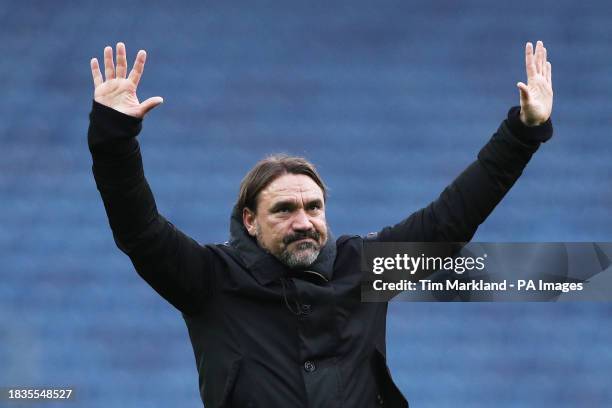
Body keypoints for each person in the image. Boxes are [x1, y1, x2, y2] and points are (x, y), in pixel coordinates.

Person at [88, 41, 553, 407]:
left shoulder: (364, 265)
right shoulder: (209, 279)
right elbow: (139, 230)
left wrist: (523, 132)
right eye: (284, 210)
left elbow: (452, 218)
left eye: (313, 207)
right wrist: (115, 135)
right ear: (249, 221)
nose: (303, 221)